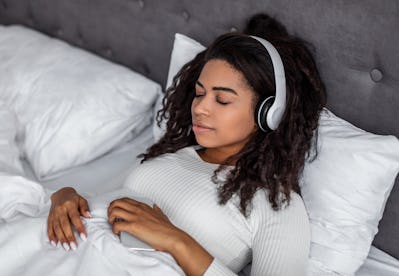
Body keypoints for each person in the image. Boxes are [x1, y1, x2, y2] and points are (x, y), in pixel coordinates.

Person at [47, 13, 327, 276]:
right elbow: (96, 198)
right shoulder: (171, 154)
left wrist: (177, 241)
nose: (201, 108)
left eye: (223, 99)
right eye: (199, 93)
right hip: (59, 254)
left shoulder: (277, 204)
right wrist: (65, 195)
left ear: (268, 114)